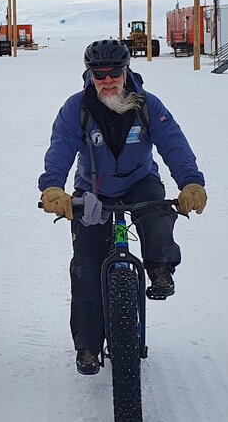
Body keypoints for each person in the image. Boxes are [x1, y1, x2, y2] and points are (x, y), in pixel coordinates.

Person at [38, 39, 207, 375]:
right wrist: (52, 187)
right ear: (89, 75)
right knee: (86, 264)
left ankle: (159, 268)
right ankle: (88, 345)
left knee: (158, 214)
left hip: (139, 182)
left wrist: (191, 182)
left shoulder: (146, 105)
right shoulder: (77, 108)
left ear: (125, 71)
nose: (107, 80)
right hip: (94, 190)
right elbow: (61, 147)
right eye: (98, 74)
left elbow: (173, 142)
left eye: (114, 72)